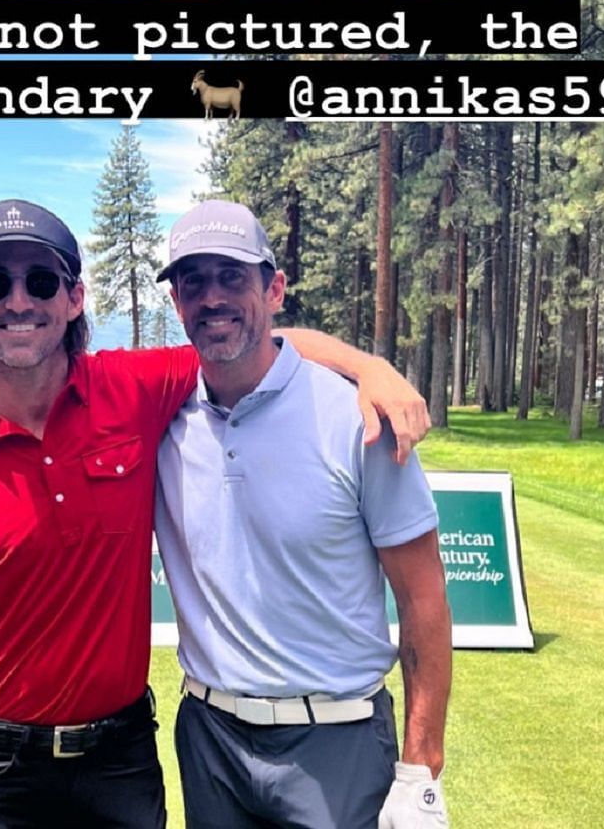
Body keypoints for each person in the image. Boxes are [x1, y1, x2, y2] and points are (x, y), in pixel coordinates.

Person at [0, 200, 427, 829]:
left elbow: (247, 338)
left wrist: (368, 366)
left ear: (74, 298)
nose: (17, 301)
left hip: (118, 763)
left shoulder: (134, 389)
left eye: (39, 282)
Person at [151, 201, 451, 829]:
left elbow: (423, 597)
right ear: (176, 301)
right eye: (193, 282)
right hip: (210, 740)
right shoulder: (161, 414)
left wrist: (421, 767)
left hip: (336, 742)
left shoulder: (358, 419)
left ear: (275, 288)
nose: (212, 298)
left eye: (233, 277)